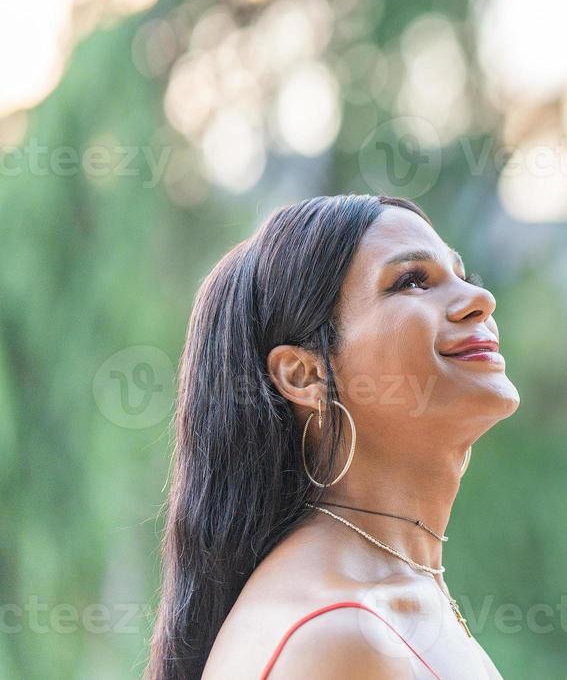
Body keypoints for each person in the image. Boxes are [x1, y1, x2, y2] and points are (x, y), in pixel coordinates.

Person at [146, 194, 519, 678]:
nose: (481, 300)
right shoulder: (338, 638)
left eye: (461, 276)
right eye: (411, 281)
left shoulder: (400, 586)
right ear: (305, 375)